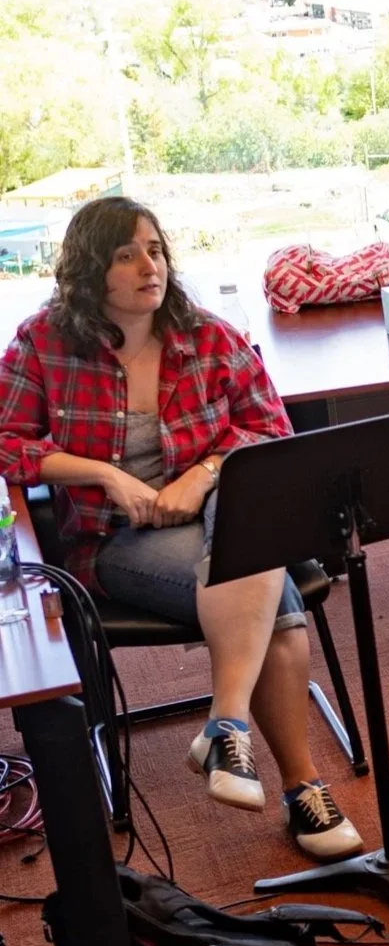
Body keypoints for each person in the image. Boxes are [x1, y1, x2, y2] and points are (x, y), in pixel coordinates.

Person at [0, 197, 363, 860]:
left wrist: (204, 471)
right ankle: (299, 785)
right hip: (118, 542)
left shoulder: (210, 335)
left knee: (245, 515)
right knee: (272, 585)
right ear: (88, 271)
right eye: (126, 254)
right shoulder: (41, 342)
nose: (149, 265)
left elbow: (270, 431)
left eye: (155, 249)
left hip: (220, 520)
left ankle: (229, 728)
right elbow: (7, 440)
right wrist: (104, 475)